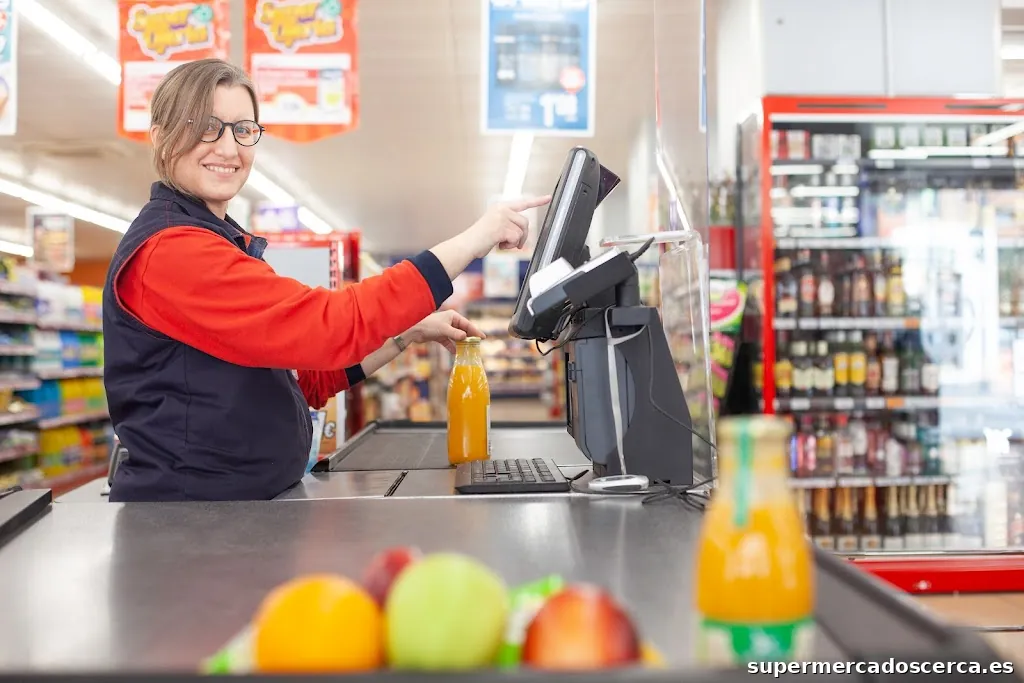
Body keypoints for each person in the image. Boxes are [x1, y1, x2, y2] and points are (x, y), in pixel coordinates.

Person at [103, 58, 549, 503]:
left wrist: (405, 332)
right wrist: (476, 238)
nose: (228, 147)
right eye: (204, 126)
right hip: (189, 532)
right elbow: (330, 326)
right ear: (160, 137)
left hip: (228, 514)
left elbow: (301, 381)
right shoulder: (172, 251)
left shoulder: (217, 241)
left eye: (242, 129)